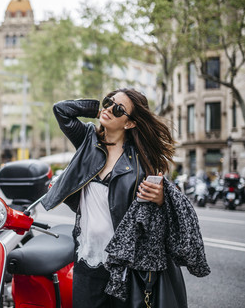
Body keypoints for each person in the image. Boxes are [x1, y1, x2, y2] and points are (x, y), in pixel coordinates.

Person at [41, 88, 209, 307]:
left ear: (129, 123)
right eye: (109, 102)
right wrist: (98, 109)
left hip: (122, 263)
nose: (110, 108)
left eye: (118, 109)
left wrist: (159, 199)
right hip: (86, 255)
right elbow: (61, 110)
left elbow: (151, 215)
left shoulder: (143, 162)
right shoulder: (88, 140)